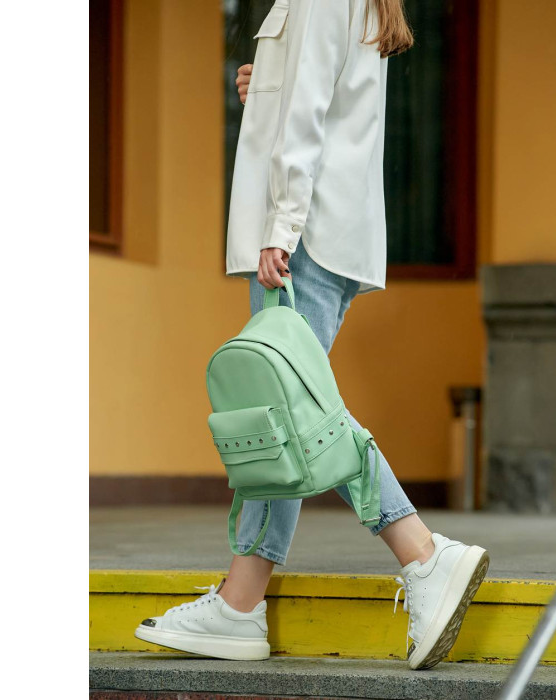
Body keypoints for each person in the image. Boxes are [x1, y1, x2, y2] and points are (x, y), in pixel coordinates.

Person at [135, 0, 489, 671]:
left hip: (305, 238)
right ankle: (243, 602)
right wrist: (266, 85)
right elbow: (317, 99)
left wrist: (282, 228)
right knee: (286, 414)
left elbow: (306, 119)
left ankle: (420, 553)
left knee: (289, 411)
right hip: (325, 232)